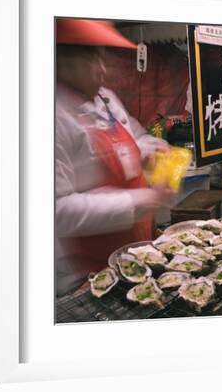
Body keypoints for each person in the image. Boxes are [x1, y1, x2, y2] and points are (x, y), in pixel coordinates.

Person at [54, 19, 174, 297]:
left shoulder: (105, 99)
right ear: (62, 62)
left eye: (102, 58)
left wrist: (152, 149)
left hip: (134, 250)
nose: (103, 69)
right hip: (83, 272)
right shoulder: (50, 114)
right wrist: (141, 200)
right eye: (92, 60)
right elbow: (56, 211)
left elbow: (136, 138)